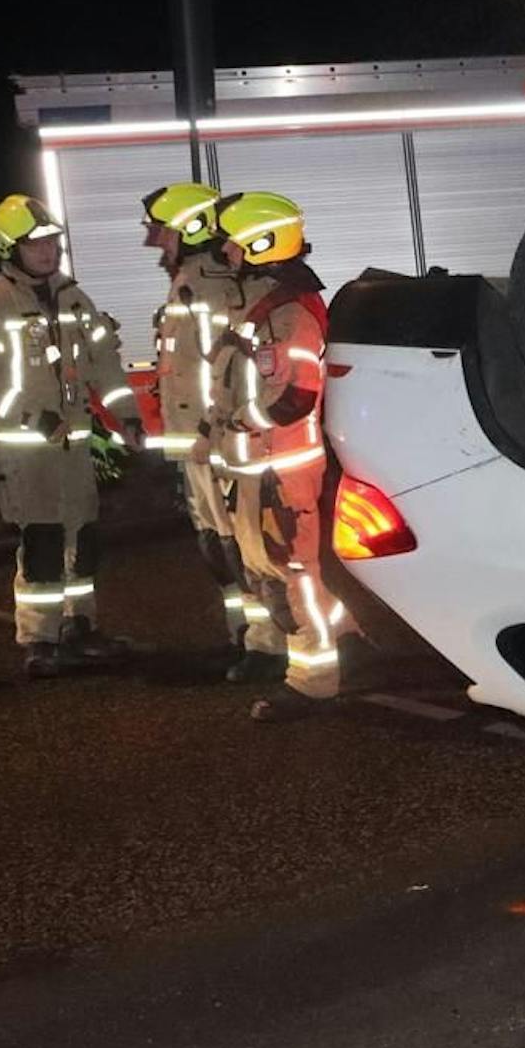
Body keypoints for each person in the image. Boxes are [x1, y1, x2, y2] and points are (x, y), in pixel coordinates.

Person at [194, 190, 346, 720]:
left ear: (260, 244)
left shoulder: (287, 312)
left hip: (282, 468)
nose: (227, 254)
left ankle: (314, 679)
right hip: (260, 467)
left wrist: (241, 421)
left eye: (234, 244)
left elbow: (296, 397)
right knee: (274, 572)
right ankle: (345, 634)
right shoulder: (266, 301)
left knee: (294, 575)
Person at [0, 194, 142, 677]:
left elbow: (105, 369)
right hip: (25, 452)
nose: (48, 250)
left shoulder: (75, 298)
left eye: (52, 241)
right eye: (36, 244)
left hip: (73, 448)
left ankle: (81, 627)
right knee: (42, 544)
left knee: (84, 536)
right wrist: (34, 419)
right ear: (8, 247)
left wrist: (127, 417)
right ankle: (40, 640)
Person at [140, 181, 282, 676]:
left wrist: (206, 432)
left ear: (190, 229)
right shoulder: (191, 279)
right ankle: (244, 634)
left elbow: (219, 367)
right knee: (219, 546)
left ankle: (266, 643)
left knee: (241, 543)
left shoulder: (209, 284)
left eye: (163, 234)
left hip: (218, 443)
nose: (157, 244)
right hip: (200, 445)